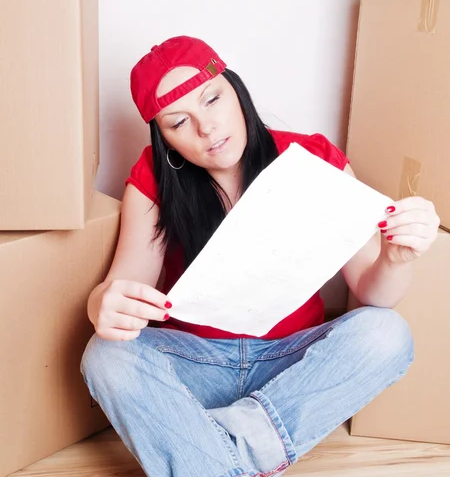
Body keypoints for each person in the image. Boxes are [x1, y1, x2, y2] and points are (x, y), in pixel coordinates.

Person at [81, 35, 439, 477]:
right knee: (104, 355)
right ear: (165, 140)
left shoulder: (312, 158)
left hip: (293, 370)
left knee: (387, 332)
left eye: (212, 99)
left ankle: (216, 455)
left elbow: (374, 294)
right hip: (199, 366)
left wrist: (396, 258)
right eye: (179, 122)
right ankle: (250, 452)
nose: (207, 128)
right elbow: (123, 286)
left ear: (236, 89)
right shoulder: (153, 180)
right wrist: (103, 305)